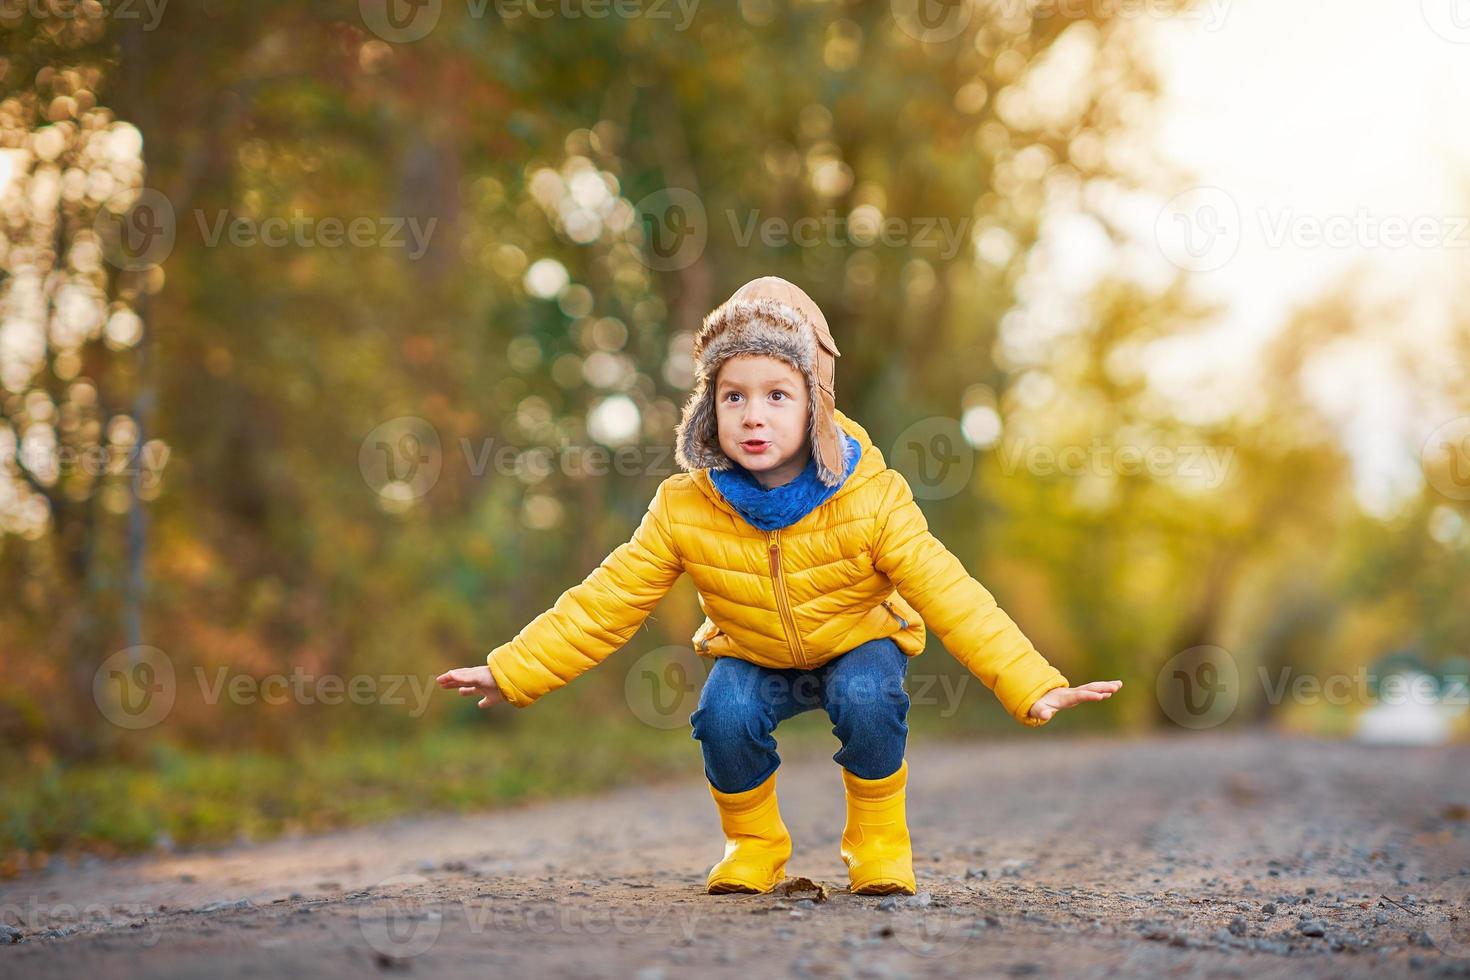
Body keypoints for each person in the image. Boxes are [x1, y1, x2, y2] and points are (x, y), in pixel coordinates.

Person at [437, 276, 1122, 896]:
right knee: (722, 715)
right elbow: (608, 598)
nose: (753, 416)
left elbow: (951, 590)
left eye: (776, 395)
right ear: (709, 408)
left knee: (865, 693)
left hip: (858, 643)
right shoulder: (686, 507)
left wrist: (1029, 681)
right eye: (733, 396)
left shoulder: (872, 499)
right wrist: (512, 670)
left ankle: (878, 842)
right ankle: (754, 845)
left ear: (815, 406)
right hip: (757, 651)